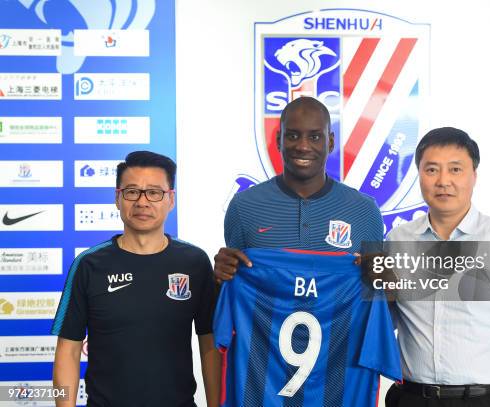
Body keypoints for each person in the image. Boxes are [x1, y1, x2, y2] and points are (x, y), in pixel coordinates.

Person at [384, 127, 490, 407]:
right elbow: (383, 322)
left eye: (455, 169)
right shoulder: (396, 241)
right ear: (419, 176)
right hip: (412, 398)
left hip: (483, 400)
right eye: (432, 170)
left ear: (473, 176)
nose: (443, 181)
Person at [52, 151, 220, 407]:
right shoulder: (88, 265)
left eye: (154, 192)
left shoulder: (195, 262)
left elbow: (210, 345)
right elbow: (68, 350)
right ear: (117, 198)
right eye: (132, 192)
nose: (142, 202)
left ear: (171, 199)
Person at [214, 96, 383, 278]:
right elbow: (234, 291)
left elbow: (376, 295)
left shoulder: (365, 211)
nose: (303, 146)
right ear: (279, 140)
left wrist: (389, 284)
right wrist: (218, 279)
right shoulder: (244, 206)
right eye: (293, 136)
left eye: (315, 137)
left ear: (330, 142)